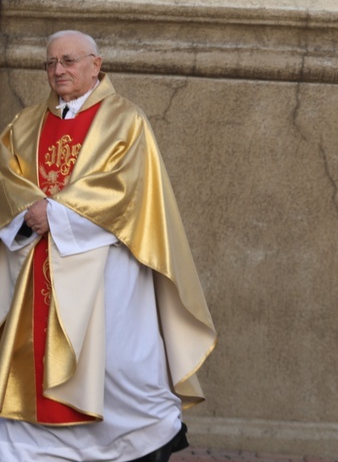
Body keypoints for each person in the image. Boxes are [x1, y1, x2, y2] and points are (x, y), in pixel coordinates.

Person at [0, 30, 217, 461]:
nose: (58, 70)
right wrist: (29, 211)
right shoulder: (25, 123)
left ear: (95, 65)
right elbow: (7, 175)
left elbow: (127, 188)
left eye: (69, 61)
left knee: (118, 365)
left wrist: (56, 214)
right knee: (31, 358)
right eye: (50, 63)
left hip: (105, 270)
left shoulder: (125, 120)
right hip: (37, 265)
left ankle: (135, 444)